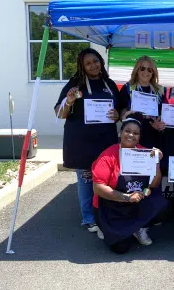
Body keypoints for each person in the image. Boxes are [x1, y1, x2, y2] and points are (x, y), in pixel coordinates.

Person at [54, 48, 120, 233]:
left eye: (95, 61)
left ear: (101, 61)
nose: (93, 65)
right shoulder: (75, 84)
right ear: (82, 67)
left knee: (105, 178)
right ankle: (89, 218)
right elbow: (59, 113)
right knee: (85, 179)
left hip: (106, 139)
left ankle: (104, 213)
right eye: (88, 63)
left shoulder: (109, 83)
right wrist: (68, 101)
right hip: (81, 141)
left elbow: (120, 110)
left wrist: (117, 115)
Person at [91, 113, 167, 254]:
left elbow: (154, 184)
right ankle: (104, 227)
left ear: (139, 137)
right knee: (121, 248)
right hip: (111, 205)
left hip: (135, 202)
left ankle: (139, 228)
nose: (131, 135)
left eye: (136, 133)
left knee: (159, 202)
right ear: (120, 133)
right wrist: (126, 197)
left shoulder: (145, 153)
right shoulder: (108, 155)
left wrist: (155, 161)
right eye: (127, 131)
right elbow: (98, 188)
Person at [119, 55, 166, 148]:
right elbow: (121, 111)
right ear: (137, 70)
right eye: (142, 68)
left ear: (153, 72)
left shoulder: (161, 90)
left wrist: (159, 124)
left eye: (150, 69)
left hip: (153, 137)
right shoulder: (128, 88)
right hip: (132, 137)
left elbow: (164, 115)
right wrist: (124, 115)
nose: (146, 72)